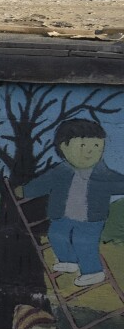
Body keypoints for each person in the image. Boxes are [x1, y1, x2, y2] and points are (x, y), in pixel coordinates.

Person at [18, 119, 124, 287]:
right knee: (55, 235)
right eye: (82, 146)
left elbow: (119, 182)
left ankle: (93, 272)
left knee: (84, 242)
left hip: (91, 220)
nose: (89, 151)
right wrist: (24, 191)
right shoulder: (61, 172)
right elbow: (42, 183)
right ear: (64, 147)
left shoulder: (103, 175)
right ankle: (68, 260)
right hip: (63, 215)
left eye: (96, 146)